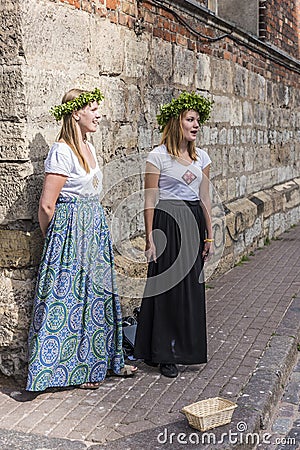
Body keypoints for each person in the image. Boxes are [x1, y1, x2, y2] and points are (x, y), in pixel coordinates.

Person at [26, 88, 137, 392]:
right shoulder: (62, 151)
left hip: (93, 230)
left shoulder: (88, 146)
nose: (99, 114)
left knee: (95, 300)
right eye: (93, 108)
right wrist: (57, 243)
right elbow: (47, 205)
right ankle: (57, 370)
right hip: (71, 232)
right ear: (76, 113)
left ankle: (95, 363)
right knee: (67, 301)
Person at [134, 91, 213, 378]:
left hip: (193, 221)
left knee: (190, 287)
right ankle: (163, 353)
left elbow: (205, 196)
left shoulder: (201, 157)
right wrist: (149, 238)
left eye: (198, 121)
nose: (195, 125)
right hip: (167, 222)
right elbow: (149, 199)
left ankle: (186, 349)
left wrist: (210, 235)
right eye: (190, 119)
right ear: (176, 122)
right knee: (166, 287)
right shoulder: (158, 156)